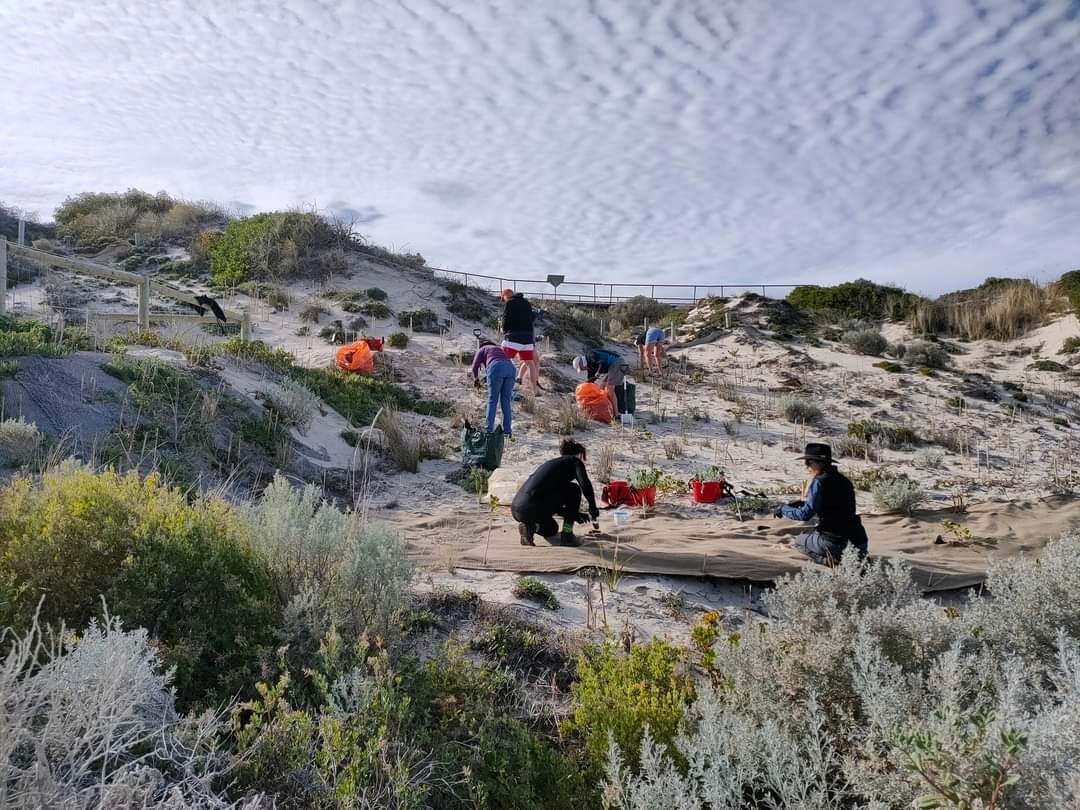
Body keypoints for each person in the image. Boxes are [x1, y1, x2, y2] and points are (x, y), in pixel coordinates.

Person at [773, 443, 869, 565]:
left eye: (808, 462)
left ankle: (827, 561)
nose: (806, 467)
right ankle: (858, 560)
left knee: (799, 541)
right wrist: (801, 504)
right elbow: (833, 504)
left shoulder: (819, 482)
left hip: (835, 543)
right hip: (859, 541)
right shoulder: (845, 481)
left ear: (818, 463)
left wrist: (783, 509)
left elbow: (805, 514)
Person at [512, 439, 600, 547]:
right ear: (579, 455)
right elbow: (585, 484)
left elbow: (549, 501)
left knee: (552, 529)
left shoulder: (552, 465)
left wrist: (572, 514)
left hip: (518, 509)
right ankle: (567, 535)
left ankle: (530, 528)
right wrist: (593, 507)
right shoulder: (575, 461)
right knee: (574, 489)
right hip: (532, 506)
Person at [470, 339, 516, 438]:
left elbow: (474, 366)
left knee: (492, 400)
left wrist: (476, 379)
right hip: (511, 368)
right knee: (506, 401)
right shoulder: (499, 349)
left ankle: (488, 430)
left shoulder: (482, 349)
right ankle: (507, 432)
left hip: (496, 368)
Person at [500, 289, 540, 391]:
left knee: (503, 360)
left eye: (503, 298)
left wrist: (504, 330)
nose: (504, 301)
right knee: (530, 363)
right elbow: (531, 318)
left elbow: (505, 319)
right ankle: (534, 390)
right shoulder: (526, 303)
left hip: (513, 336)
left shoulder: (509, 303)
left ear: (505, 296)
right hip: (527, 337)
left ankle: (505, 384)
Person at [572, 349, 629, 414]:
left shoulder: (590, 355)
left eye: (581, 368)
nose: (582, 370)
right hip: (612, 367)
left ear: (581, 362)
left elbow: (600, 362)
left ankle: (616, 413)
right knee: (602, 388)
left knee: (609, 389)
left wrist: (598, 372)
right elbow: (590, 381)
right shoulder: (590, 367)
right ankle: (607, 408)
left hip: (617, 362)